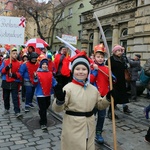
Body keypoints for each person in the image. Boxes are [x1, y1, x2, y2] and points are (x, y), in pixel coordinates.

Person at [52, 51, 113, 150]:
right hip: (73, 125)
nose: (81, 72)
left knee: (88, 146)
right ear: (73, 71)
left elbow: (100, 105)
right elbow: (57, 109)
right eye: (77, 69)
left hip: (89, 125)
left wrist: (108, 97)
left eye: (84, 69)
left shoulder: (92, 89)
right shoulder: (68, 88)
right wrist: (59, 100)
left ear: (88, 72)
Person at [90, 44, 110, 144]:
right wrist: (95, 71)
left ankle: (98, 132)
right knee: (91, 115)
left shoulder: (107, 68)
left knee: (101, 116)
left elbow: (112, 79)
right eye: (98, 57)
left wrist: (113, 79)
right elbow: (90, 80)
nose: (100, 59)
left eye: (102, 57)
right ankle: (89, 131)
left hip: (104, 97)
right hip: (93, 97)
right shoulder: (91, 68)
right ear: (94, 57)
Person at [106, 45, 131, 119]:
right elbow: (107, 70)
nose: (119, 52)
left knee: (120, 97)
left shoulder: (122, 59)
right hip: (114, 82)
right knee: (114, 98)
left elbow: (126, 68)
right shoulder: (111, 60)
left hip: (121, 82)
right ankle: (110, 112)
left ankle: (122, 108)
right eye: (118, 51)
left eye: (120, 51)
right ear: (114, 52)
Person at [34, 57, 57, 130]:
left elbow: (54, 82)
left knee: (47, 106)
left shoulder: (50, 73)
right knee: (43, 109)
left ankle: (41, 112)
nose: (45, 66)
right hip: (40, 94)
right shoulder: (37, 73)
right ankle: (43, 123)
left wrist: (58, 87)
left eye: (46, 64)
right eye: (43, 64)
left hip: (48, 94)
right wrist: (35, 78)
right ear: (40, 65)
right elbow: (34, 84)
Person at [0, 48, 22, 118]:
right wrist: (7, 68)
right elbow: (1, 71)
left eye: (16, 53)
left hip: (14, 82)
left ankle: (17, 111)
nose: (15, 55)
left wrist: (13, 75)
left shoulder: (19, 63)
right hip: (6, 81)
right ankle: (7, 108)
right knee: (6, 97)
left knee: (15, 97)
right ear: (10, 54)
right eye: (13, 53)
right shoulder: (5, 61)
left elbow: (20, 73)